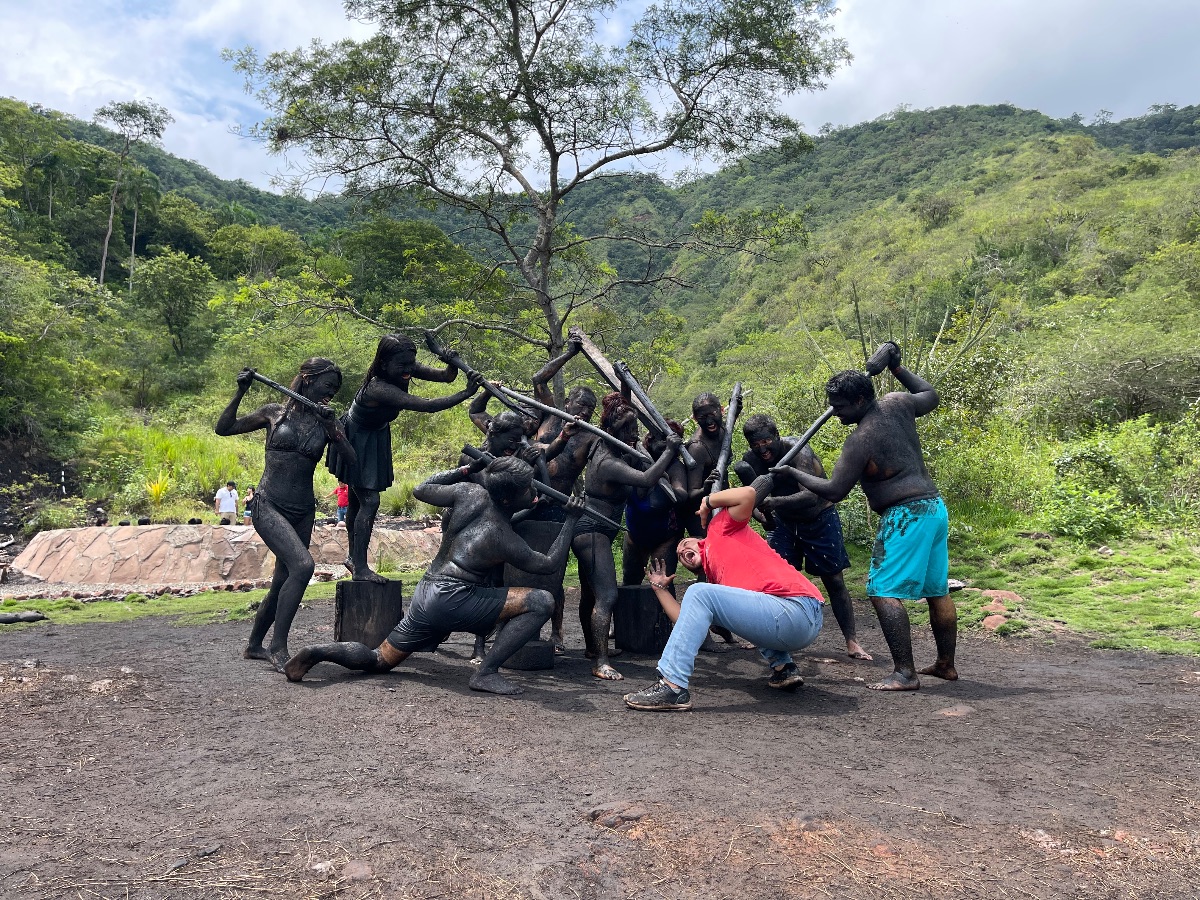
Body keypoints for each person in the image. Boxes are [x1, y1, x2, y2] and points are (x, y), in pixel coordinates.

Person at [283, 457, 585, 695]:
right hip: (454, 599)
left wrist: (466, 469)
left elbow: (422, 489)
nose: (535, 491)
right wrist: (570, 520)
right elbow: (547, 564)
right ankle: (486, 672)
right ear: (508, 499)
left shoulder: (469, 492)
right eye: (529, 489)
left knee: (378, 659)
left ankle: (318, 652)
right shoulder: (502, 536)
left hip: (426, 595)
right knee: (541, 601)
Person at [770, 342, 957, 692]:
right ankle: (945, 665)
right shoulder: (898, 403)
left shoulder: (861, 439)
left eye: (839, 407)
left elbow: (833, 490)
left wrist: (794, 474)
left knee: (882, 590)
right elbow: (930, 394)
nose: (835, 413)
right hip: (934, 509)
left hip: (906, 516)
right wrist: (898, 369)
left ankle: (905, 673)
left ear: (858, 401)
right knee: (936, 590)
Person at [622, 482, 826, 711]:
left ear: (700, 541)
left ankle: (672, 685)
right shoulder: (719, 585)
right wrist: (659, 589)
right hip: (794, 621)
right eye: (679, 557)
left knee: (698, 593)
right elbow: (685, 624)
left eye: (685, 544)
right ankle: (783, 668)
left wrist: (709, 501)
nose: (682, 552)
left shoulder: (719, 531)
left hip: (797, 607)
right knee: (709, 596)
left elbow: (748, 494)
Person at [215, 359, 357, 670]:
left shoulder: (327, 422)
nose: (331, 393)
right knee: (304, 565)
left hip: (303, 511)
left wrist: (333, 427)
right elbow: (223, 428)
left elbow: (351, 461)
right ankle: (278, 646)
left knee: (283, 580)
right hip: (269, 505)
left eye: (336, 389)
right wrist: (240, 391)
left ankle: (254, 646)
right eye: (327, 385)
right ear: (307, 379)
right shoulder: (274, 413)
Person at [327, 333, 482, 584]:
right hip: (357, 439)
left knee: (358, 502)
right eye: (403, 365)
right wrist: (467, 393)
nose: (409, 369)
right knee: (368, 502)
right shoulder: (379, 387)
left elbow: (445, 376)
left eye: (412, 363)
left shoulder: (403, 367)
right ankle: (360, 566)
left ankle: (354, 559)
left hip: (375, 436)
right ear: (384, 363)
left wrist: (450, 361)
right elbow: (429, 405)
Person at [734, 413, 870, 661]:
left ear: (776, 436)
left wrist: (774, 502)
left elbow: (811, 495)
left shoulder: (799, 451)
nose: (762, 449)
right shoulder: (750, 461)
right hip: (784, 523)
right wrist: (762, 517)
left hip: (819, 518)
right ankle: (766, 636)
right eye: (755, 444)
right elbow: (750, 497)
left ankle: (852, 641)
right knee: (773, 582)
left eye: (766, 441)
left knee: (834, 580)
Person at [574, 391, 680, 680]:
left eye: (635, 429)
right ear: (613, 431)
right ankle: (600, 661)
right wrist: (670, 451)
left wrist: (623, 388)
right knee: (607, 595)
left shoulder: (608, 445)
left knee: (590, 593)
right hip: (591, 530)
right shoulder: (606, 460)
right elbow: (646, 479)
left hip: (599, 531)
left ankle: (590, 649)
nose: (633, 435)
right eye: (627, 430)